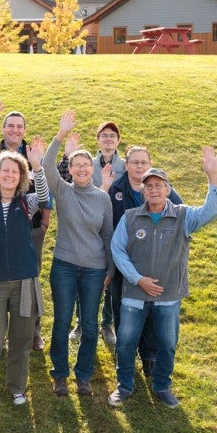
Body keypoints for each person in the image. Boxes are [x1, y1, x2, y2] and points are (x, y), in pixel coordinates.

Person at [109, 148, 217, 408]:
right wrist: (137, 279)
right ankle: (124, 386)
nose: (153, 190)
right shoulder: (129, 218)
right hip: (135, 294)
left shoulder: (184, 216)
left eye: (158, 185)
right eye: (148, 186)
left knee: (167, 343)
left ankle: (162, 386)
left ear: (168, 189)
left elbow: (213, 210)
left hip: (169, 295)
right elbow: (117, 250)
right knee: (126, 342)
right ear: (143, 192)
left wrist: (213, 175)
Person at [0, 142, 49, 419]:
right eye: (5, 170)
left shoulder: (26, 204)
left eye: (15, 171)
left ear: (21, 176)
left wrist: (37, 166)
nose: (10, 175)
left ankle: (17, 387)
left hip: (24, 284)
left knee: (21, 340)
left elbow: (43, 196)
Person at [0, 102, 51, 351]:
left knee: (29, 279)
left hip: (30, 227)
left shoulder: (33, 153)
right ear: (2, 129)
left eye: (19, 126)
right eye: (10, 126)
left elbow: (47, 191)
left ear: (24, 131)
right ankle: (0, 332)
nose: (14, 130)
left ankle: (32, 330)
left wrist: (45, 222)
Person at [43, 111, 114, 398]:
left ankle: (83, 376)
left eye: (86, 165)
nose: (83, 169)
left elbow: (107, 235)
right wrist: (60, 135)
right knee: (61, 321)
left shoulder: (103, 198)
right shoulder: (63, 191)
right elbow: (47, 165)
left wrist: (109, 270)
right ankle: (60, 374)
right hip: (64, 267)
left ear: (92, 169)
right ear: (70, 170)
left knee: (88, 324)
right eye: (77, 165)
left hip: (95, 270)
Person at [106, 146, 184, 374]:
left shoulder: (160, 188)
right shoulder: (116, 187)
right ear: (126, 165)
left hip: (153, 260)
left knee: (152, 309)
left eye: (143, 162)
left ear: (149, 165)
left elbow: (180, 214)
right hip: (123, 262)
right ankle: (125, 355)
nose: (139, 166)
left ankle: (149, 355)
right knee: (123, 309)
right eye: (135, 162)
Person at [63, 121, 125, 344]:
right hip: (88, 229)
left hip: (116, 227)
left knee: (110, 276)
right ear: (97, 139)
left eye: (112, 135)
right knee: (86, 274)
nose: (108, 139)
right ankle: (81, 321)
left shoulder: (125, 166)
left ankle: (106, 323)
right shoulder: (87, 164)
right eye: (104, 135)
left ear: (118, 140)